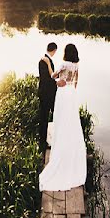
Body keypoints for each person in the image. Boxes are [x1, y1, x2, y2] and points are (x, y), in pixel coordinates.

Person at [39, 43, 87, 191]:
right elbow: (76, 82)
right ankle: (70, 143)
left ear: (66, 53)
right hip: (71, 94)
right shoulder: (76, 65)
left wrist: (48, 65)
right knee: (71, 120)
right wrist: (70, 90)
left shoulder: (64, 64)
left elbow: (53, 76)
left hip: (63, 93)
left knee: (60, 119)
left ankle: (60, 143)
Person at [38, 42, 58, 153]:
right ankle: (42, 141)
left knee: (45, 117)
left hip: (46, 94)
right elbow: (46, 79)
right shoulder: (45, 61)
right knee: (44, 118)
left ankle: (44, 140)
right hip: (47, 94)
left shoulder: (45, 59)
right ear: (54, 50)